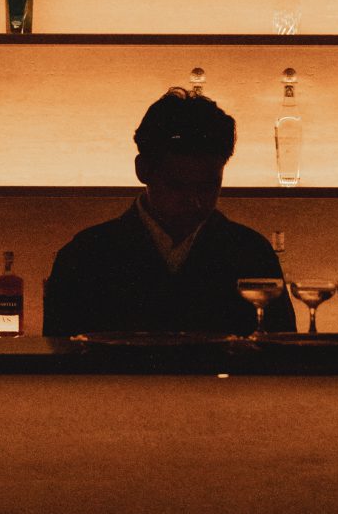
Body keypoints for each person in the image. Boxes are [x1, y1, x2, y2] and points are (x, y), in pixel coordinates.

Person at [44, 89, 297, 337]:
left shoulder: (252, 254)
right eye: (177, 185)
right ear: (142, 170)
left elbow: (283, 356)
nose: (194, 201)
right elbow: (59, 360)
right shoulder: (85, 257)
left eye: (208, 186)